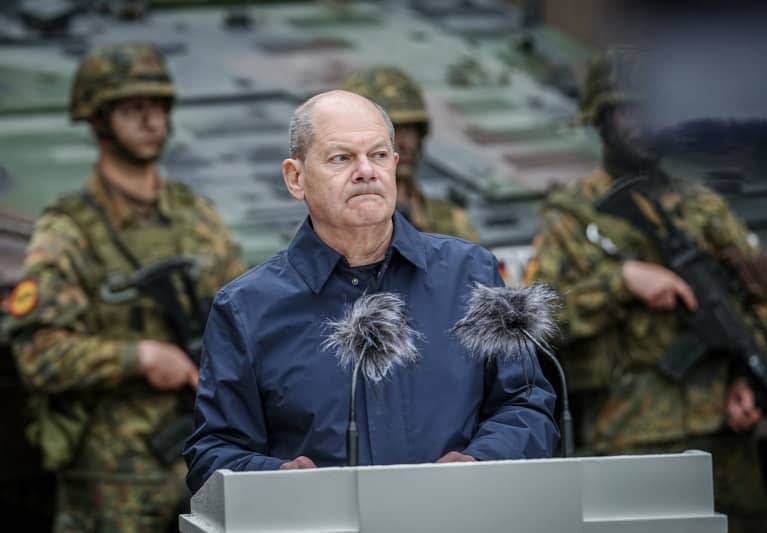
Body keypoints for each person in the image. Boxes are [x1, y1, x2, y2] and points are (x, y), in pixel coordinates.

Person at [183, 90, 558, 493]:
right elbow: (214, 450)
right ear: (296, 178)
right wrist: (278, 481)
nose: (365, 171)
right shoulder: (246, 307)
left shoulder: (469, 274)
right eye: (341, 158)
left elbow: (527, 404)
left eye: (378, 155)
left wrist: (481, 460)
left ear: (395, 166)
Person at [523, 47, 767, 533]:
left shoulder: (703, 208)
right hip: (627, 437)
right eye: (629, 111)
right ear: (599, 118)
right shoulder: (570, 217)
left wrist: (754, 381)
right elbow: (537, 320)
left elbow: (766, 297)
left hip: (720, 431)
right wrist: (619, 283)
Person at [3, 42, 244, 532]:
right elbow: (38, 354)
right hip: (114, 481)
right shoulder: (70, 230)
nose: (151, 121)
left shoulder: (196, 217)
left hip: (207, 463)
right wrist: (141, 358)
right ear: (96, 120)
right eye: (133, 109)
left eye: (158, 107)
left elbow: (252, 322)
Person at [340, 66, 478, 241]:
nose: (406, 143)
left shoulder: (451, 222)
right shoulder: (329, 232)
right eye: (393, 129)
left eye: (411, 130)